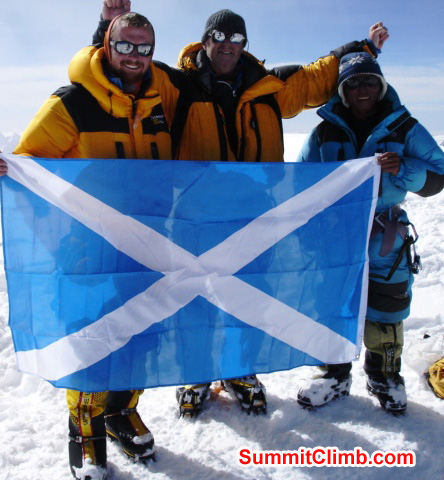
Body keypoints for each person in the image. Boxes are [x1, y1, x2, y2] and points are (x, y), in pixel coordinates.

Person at [93, 0, 389, 419]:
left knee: (249, 299)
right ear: (206, 39)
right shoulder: (178, 84)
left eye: (236, 38)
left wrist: (365, 48)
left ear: (245, 44)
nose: (227, 45)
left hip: (255, 221)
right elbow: (122, 66)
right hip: (198, 219)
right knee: (198, 302)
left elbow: (314, 78)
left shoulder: (269, 87)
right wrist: (108, 27)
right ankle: (197, 375)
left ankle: (240, 371)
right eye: (219, 36)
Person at [5, 11, 181, 480]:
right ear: (106, 46)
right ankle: (86, 436)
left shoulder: (163, 99)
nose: (135, 56)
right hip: (91, 248)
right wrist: (12, 171)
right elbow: (29, 163)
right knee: (93, 340)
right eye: (126, 45)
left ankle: (121, 412)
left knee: (142, 335)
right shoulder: (72, 103)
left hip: (152, 246)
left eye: (145, 48)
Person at [297, 52, 444, 413]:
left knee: (387, 303)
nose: (362, 88)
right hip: (336, 234)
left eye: (369, 81)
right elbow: (300, 180)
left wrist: (404, 169)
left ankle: (384, 375)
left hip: (385, 236)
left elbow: (439, 175)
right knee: (332, 303)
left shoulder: (405, 128)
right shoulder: (324, 132)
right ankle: (333, 373)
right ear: (343, 90)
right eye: (353, 82)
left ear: (381, 85)